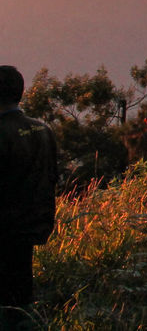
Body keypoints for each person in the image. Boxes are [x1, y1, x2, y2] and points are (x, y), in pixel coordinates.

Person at [0, 66, 58, 330]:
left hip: (4, 228)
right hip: (32, 225)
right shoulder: (43, 130)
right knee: (21, 292)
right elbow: (53, 178)